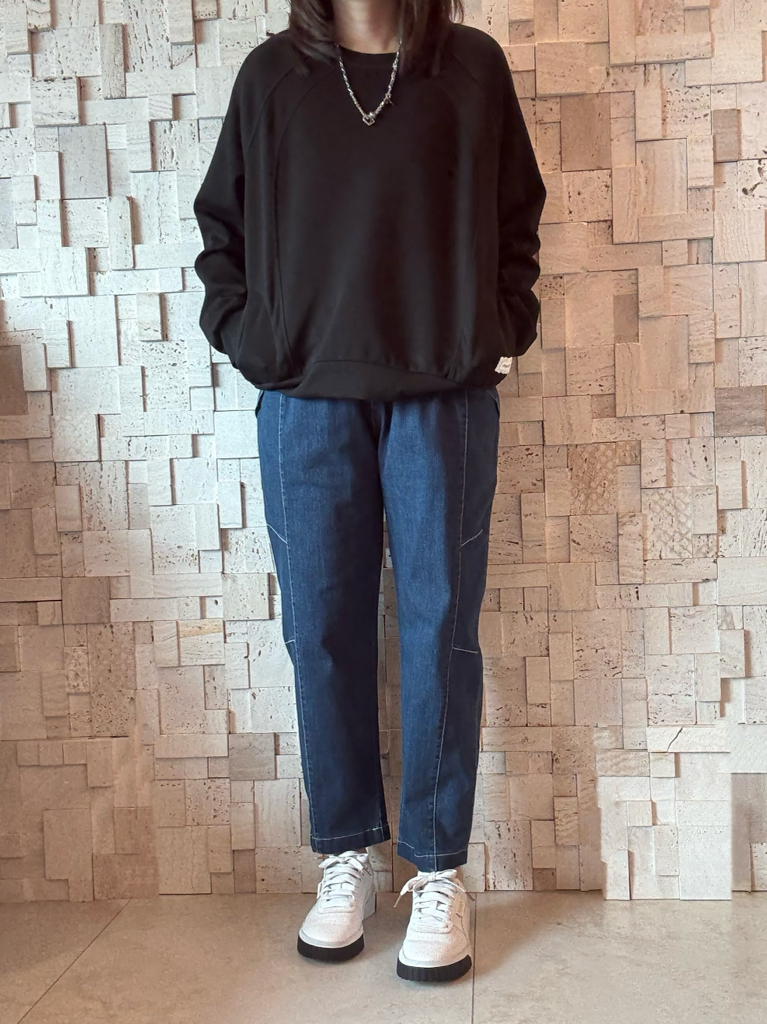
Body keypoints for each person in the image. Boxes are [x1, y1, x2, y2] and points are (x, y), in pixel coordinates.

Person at [193, 0, 546, 985]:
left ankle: (436, 867)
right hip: (306, 401)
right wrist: (249, 340)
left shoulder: (469, 68)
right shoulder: (272, 79)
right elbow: (220, 230)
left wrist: (500, 329)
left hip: (443, 396)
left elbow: (517, 215)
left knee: (440, 630)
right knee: (321, 628)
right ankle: (344, 852)